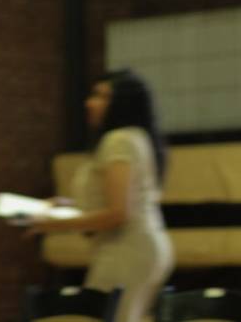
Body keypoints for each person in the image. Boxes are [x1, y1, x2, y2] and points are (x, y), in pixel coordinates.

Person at [27, 69, 173, 322]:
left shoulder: (119, 141)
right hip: (143, 245)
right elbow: (117, 199)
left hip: (126, 248)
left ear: (121, 104)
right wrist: (65, 205)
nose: (89, 102)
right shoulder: (136, 137)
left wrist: (55, 224)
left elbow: (118, 213)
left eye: (101, 96)